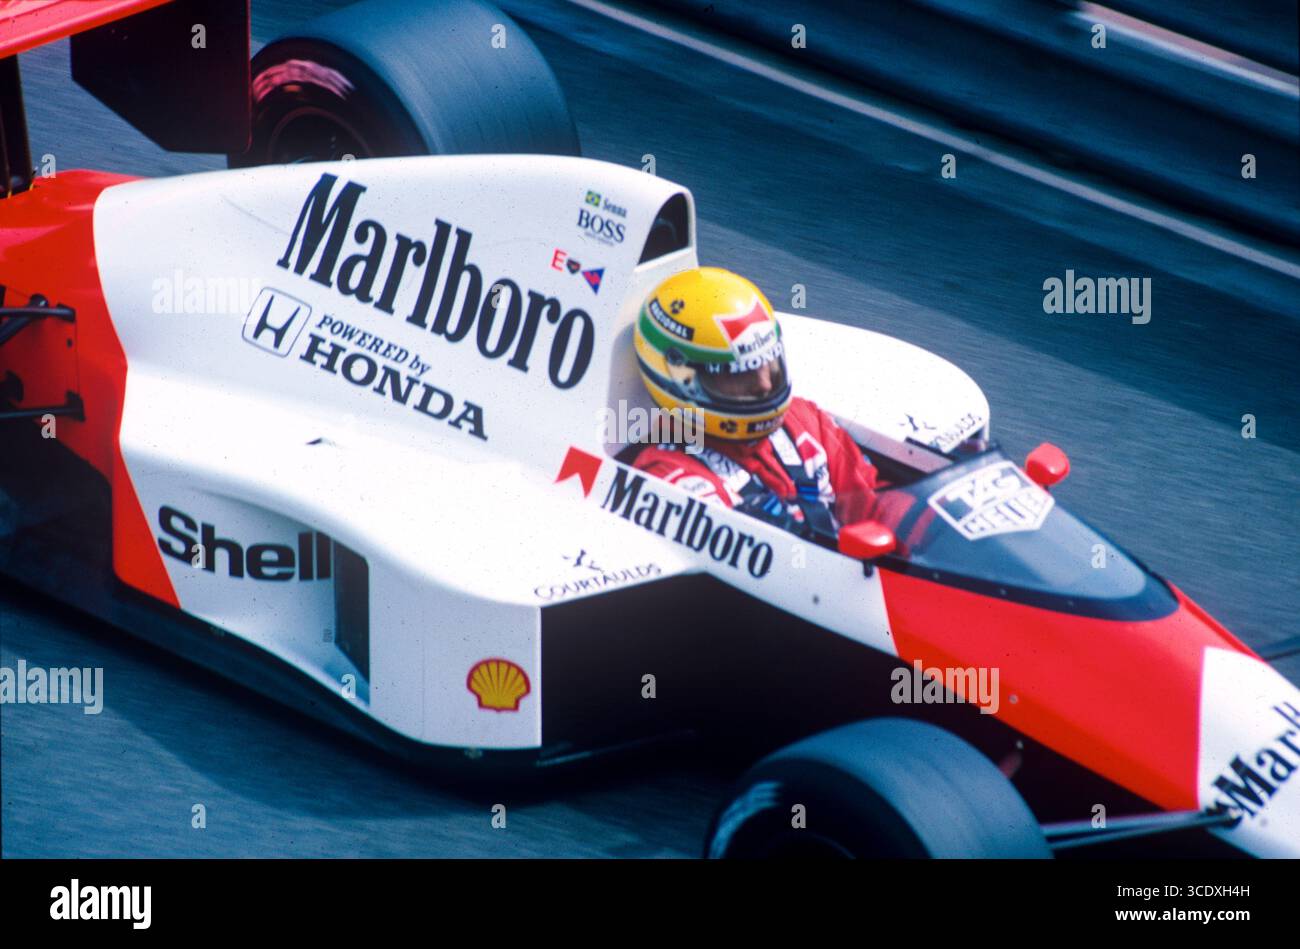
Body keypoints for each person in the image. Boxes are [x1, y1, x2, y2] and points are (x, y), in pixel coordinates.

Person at [631, 266, 879, 544]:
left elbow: (875, 504)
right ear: (684, 380)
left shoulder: (805, 420)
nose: (763, 384)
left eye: (767, 364)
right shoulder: (669, 476)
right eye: (740, 374)